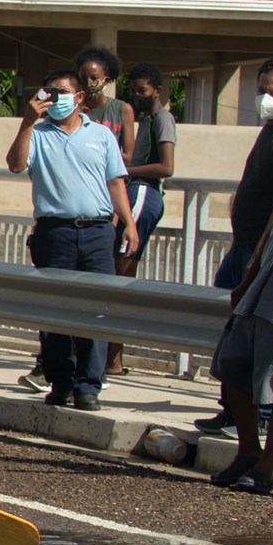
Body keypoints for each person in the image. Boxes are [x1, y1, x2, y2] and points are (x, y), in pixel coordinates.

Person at [5, 71, 138, 409]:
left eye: (61, 92)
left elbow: (116, 182)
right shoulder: (38, 133)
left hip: (97, 231)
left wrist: (129, 223)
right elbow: (15, 165)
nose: (54, 98)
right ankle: (60, 382)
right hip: (55, 232)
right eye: (49, 92)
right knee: (54, 312)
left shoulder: (102, 136)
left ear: (79, 98)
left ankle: (88, 386)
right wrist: (27, 122)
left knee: (95, 310)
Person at [196, 57, 273, 436]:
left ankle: (257, 420)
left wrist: (257, 260)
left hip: (261, 258)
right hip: (243, 247)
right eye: (261, 91)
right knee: (234, 341)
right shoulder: (269, 131)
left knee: (258, 343)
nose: (265, 99)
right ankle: (232, 411)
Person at [208, 167, 273, 495]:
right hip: (261, 293)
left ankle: (265, 469)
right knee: (235, 371)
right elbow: (272, 228)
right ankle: (247, 451)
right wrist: (250, 274)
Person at [107, 61, 177, 375]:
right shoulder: (146, 119)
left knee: (119, 277)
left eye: (142, 91)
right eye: (133, 91)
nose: (136, 96)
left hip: (144, 194)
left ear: (157, 91)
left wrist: (126, 171)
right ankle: (113, 359)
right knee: (117, 274)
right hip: (134, 192)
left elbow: (166, 167)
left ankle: (112, 359)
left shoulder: (163, 118)